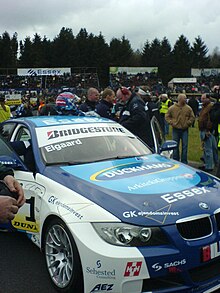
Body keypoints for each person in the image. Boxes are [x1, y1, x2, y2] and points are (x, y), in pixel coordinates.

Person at [165, 93, 195, 164]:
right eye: (184, 98)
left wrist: (188, 123)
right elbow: (167, 116)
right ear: (180, 99)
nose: (185, 99)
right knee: (175, 145)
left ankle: (184, 161)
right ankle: (176, 160)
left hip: (185, 129)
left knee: (185, 146)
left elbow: (192, 117)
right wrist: (171, 122)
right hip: (175, 129)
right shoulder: (172, 108)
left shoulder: (188, 108)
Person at [198, 93, 218, 171]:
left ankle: (209, 166)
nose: (201, 100)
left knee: (208, 149)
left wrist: (208, 130)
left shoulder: (210, 107)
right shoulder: (205, 107)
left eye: (203, 98)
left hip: (206, 130)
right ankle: (212, 163)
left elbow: (210, 119)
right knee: (212, 148)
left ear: (208, 99)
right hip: (204, 129)